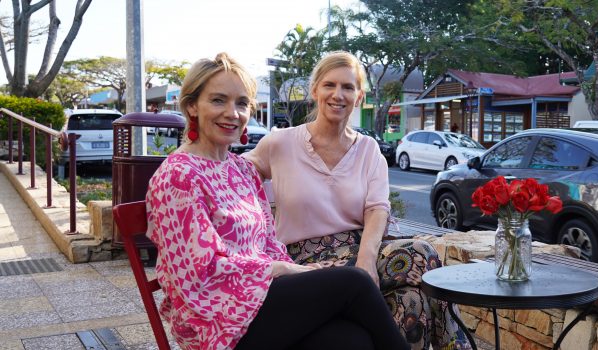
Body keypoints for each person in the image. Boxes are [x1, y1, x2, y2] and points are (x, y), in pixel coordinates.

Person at [145, 52, 408, 350]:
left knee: (352, 340)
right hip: (217, 320)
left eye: (241, 103)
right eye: (218, 100)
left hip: (261, 300)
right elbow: (198, 273)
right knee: (355, 283)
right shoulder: (179, 177)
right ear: (192, 105)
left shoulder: (240, 169)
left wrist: (288, 270)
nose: (232, 113)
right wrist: (282, 270)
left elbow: (268, 241)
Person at [244, 51, 472, 350]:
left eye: (348, 87)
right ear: (315, 91)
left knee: (411, 297)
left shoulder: (368, 149)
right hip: (302, 264)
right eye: (329, 85)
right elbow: (230, 175)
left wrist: (366, 259)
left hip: (358, 249)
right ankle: (455, 347)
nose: (338, 95)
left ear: (359, 96)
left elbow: (377, 208)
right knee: (421, 253)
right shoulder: (280, 143)